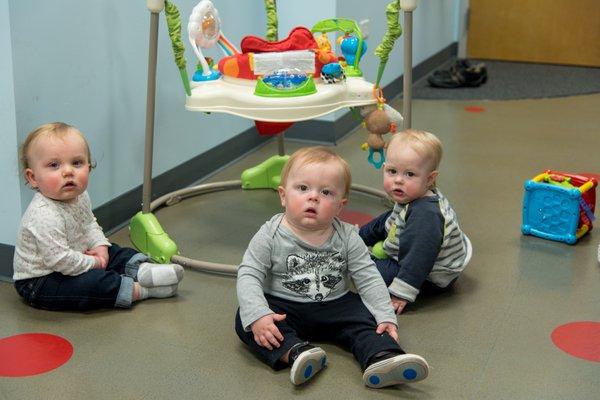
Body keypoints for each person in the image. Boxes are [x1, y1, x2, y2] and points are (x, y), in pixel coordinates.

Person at [234, 146, 429, 388]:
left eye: (326, 192)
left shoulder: (347, 236)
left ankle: (384, 357)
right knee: (246, 319)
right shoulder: (269, 235)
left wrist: (385, 315)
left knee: (366, 319)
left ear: (340, 205)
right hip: (283, 305)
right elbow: (249, 274)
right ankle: (297, 352)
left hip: (337, 304)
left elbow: (368, 277)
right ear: (283, 195)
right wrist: (259, 314)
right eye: (303, 188)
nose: (313, 197)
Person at [13, 122, 184, 311]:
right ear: (33, 177)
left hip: (77, 256)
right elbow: (60, 261)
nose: (68, 171)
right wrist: (95, 262)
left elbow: (89, 225)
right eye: (54, 165)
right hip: (43, 280)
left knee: (116, 251)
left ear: (88, 166)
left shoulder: (80, 196)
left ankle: (143, 270)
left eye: (76, 163)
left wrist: (101, 249)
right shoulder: (43, 214)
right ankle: (140, 290)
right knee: (91, 284)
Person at [359, 129, 472, 314]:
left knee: (369, 271)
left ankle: (358, 257)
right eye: (392, 171)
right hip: (413, 250)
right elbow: (391, 221)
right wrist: (361, 237)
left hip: (429, 276)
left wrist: (401, 293)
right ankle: (354, 239)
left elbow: (419, 258)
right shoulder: (412, 198)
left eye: (409, 174)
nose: (398, 180)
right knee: (385, 220)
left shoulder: (426, 215)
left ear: (429, 179)